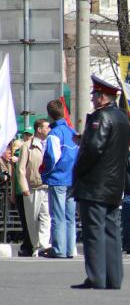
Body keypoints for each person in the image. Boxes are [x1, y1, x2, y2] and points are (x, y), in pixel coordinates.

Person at [71, 75, 130, 289]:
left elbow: (94, 149)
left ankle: (96, 277)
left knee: (94, 232)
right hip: (114, 184)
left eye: (95, 95)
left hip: (95, 184)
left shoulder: (101, 117)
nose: (94, 99)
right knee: (112, 232)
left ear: (103, 97)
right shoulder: (123, 118)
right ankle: (114, 278)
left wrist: (78, 170)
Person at [41, 99, 79, 258]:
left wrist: (44, 173)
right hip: (72, 178)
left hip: (58, 178)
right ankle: (70, 249)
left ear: (50, 115)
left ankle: (59, 249)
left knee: (57, 215)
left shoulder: (54, 134)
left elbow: (52, 158)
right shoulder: (72, 132)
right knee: (70, 217)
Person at [17, 119, 51, 256]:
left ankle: (44, 246)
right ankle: (36, 247)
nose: (49, 130)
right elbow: (21, 169)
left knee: (46, 217)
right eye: (47, 127)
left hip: (47, 186)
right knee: (32, 219)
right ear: (39, 129)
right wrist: (23, 186)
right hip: (32, 187)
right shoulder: (27, 146)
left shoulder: (49, 143)